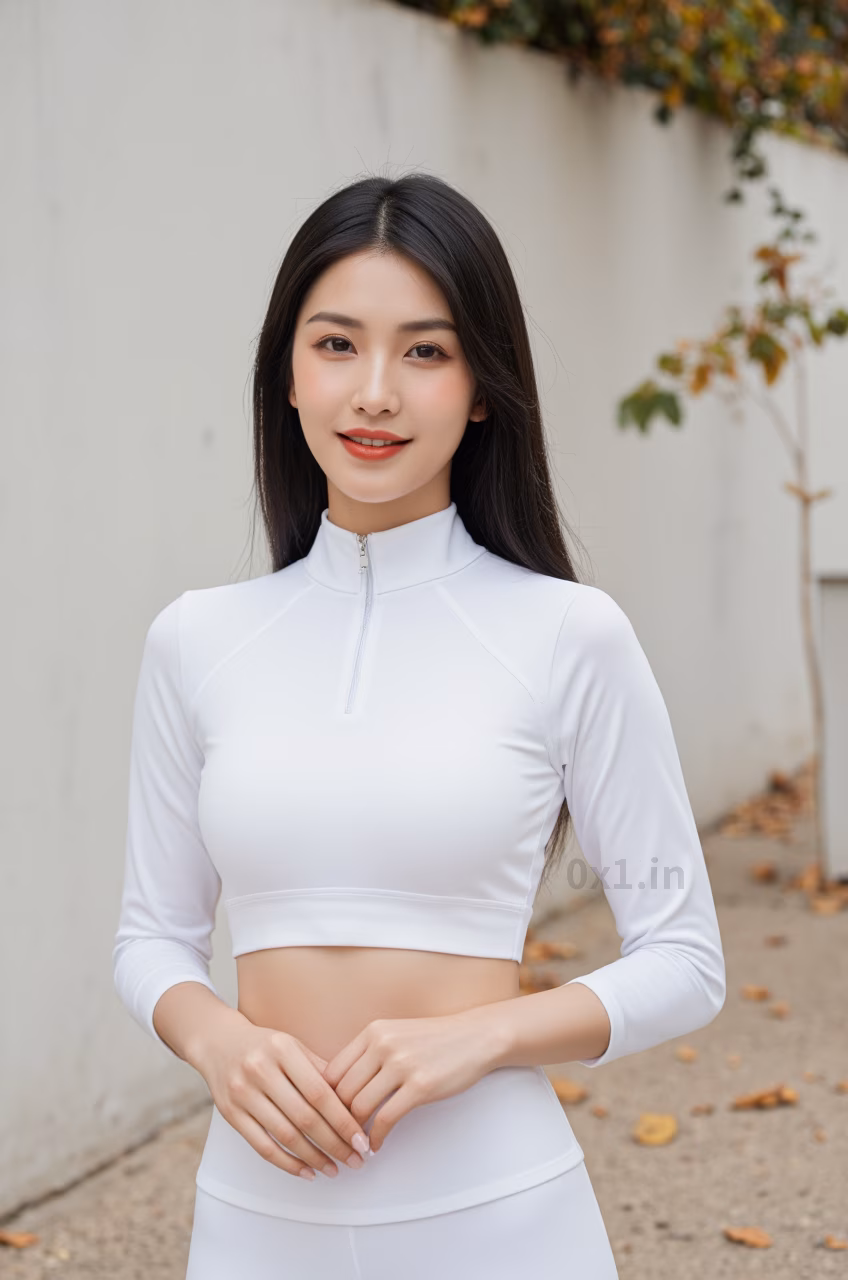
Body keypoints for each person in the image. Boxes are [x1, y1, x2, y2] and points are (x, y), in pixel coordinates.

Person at [112, 171, 726, 1279]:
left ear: (482, 387)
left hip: (499, 1217)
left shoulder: (565, 633)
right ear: (286, 376)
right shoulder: (197, 640)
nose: (376, 393)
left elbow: (683, 956)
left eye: (426, 351)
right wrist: (222, 1041)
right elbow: (149, 935)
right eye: (337, 345)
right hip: (253, 1225)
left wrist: (479, 1034)